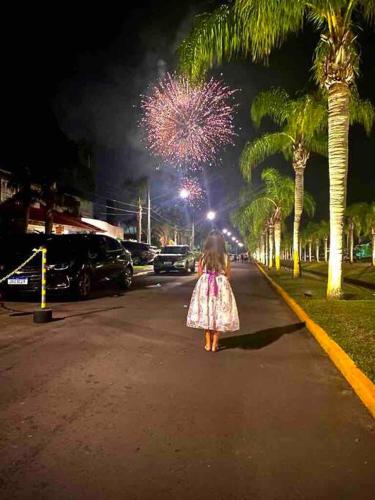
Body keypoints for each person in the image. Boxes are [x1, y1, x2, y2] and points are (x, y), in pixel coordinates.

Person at [186, 230, 240, 352]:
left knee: (207, 313)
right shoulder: (225, 257)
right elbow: (228, 275)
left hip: (205, 287)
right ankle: (215, 344)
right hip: (221, 286)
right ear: (221, 243)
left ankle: (208, 343)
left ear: (208, 243)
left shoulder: (203, 256)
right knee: (219, 314)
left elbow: (199, 274)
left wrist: (206, 279)